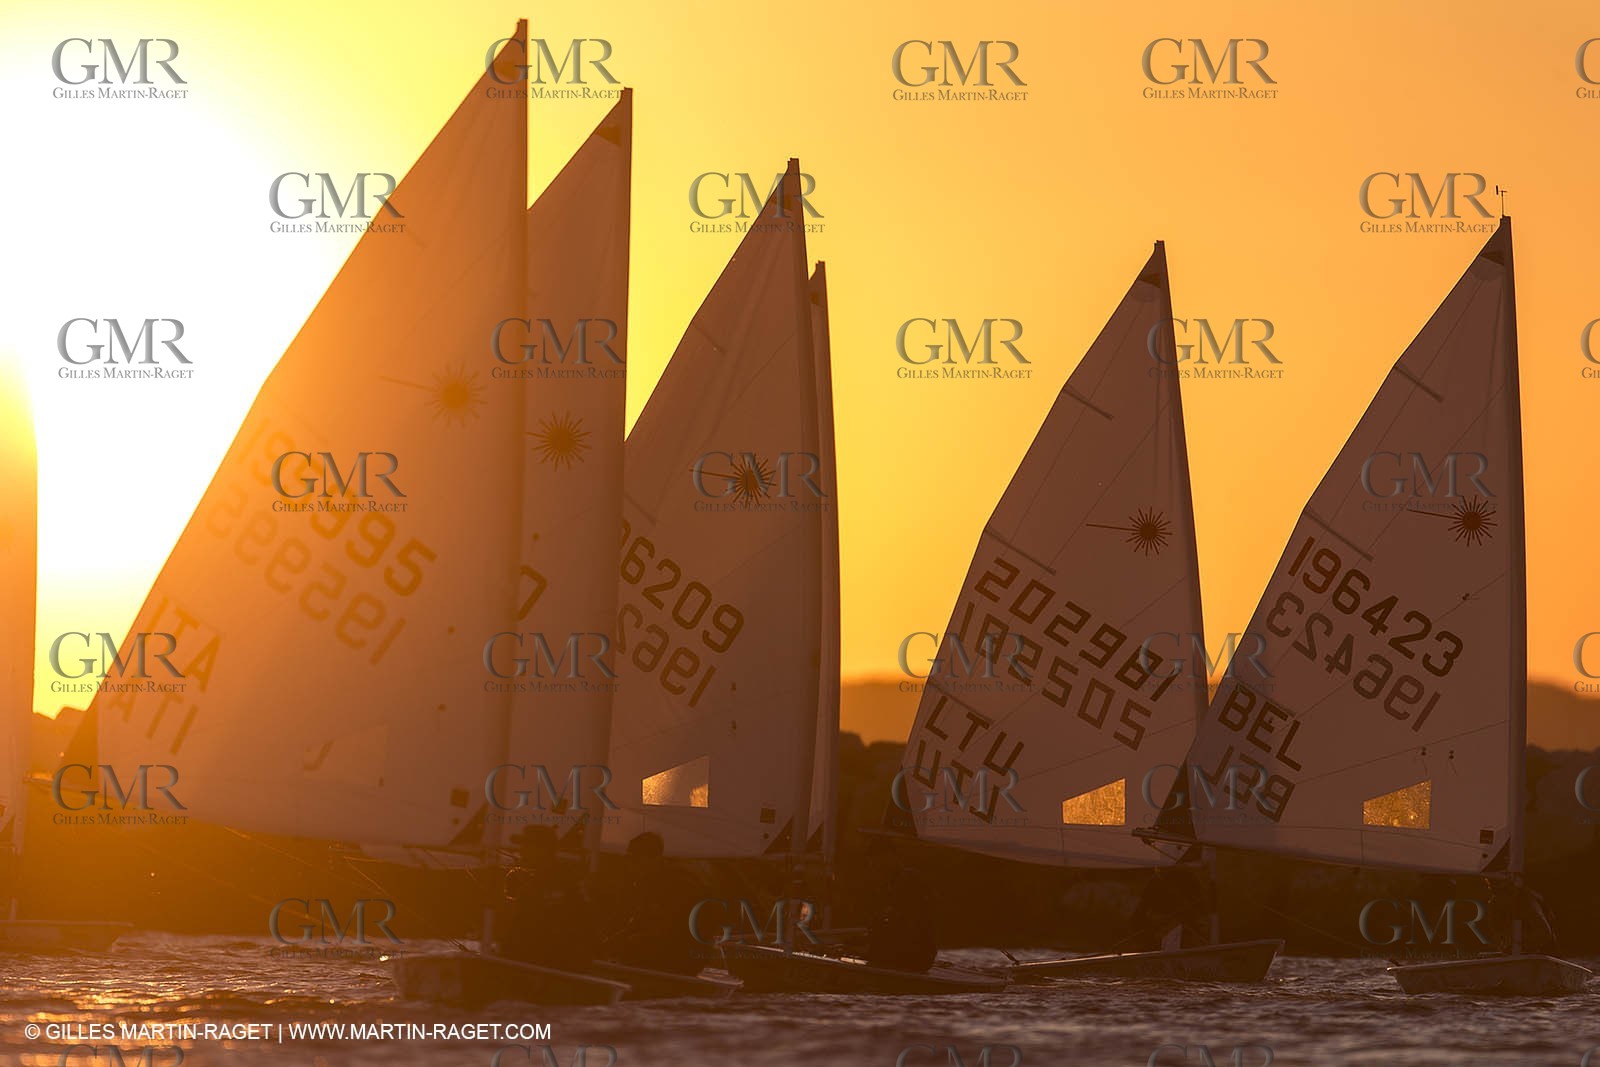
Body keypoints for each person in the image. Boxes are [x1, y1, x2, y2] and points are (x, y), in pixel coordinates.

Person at [600, 832, 706, 975]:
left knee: (632, 946)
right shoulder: (648, 882)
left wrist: (626, 942)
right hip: (662, 950)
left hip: (682, 958)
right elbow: (639, 922)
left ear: (654, 858)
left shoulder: (678, 884)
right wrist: (609, 941)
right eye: (629, 857)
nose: (630, 862)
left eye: (635, 857)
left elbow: (667, 929)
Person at [497, 825, 598, 971]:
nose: (521, 851)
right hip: (538, 966)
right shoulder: (554, 879)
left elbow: (535, 926)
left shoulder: (560, 882)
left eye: (527, 845)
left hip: (545, 969)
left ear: (542, 850)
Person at [865, 866, 938, 973]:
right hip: (907, 960)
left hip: (909, 963)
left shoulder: (915, 914)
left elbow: (896, 940)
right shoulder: (896, 911)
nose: (892, 890)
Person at [1127, 864, 1211, 952]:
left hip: (1182, 933)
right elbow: (1139, 916)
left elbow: (1198, 911)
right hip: (1160, 939)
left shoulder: (1185, 878)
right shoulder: (1156, 881)